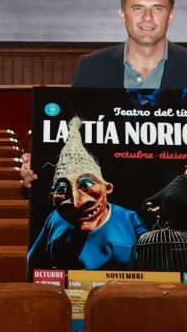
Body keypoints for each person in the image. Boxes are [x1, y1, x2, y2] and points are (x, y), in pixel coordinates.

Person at [21, 0, 187, 199]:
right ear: (122, 13)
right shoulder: (92, 67)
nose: (147, 18)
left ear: (171, 15)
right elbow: (72, 133)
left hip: (168, 204)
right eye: (137, 8)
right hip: (111, 202)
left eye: (158, 8)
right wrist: (38, 160)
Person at [28, 117, 147, 273]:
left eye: (86, 185)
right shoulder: (54, 219)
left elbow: (151, 265)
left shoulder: (129, 219)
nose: (76, 203)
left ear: (107, 187)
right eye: (62, 190)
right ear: (52, 197)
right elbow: (33, 267)